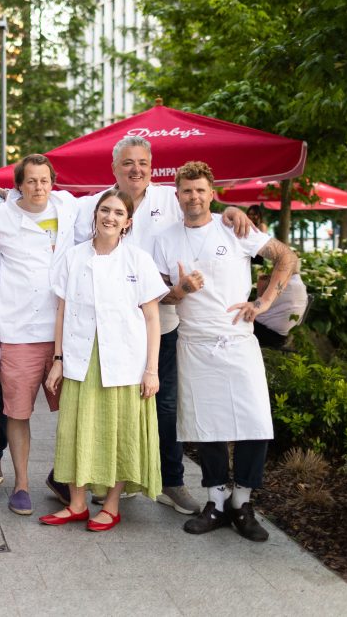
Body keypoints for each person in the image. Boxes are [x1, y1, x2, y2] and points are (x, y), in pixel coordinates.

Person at [61, 135, 251, 516]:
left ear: (152, 165)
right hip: (110, 328)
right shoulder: (95, 205)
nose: (136, 169)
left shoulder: (168, 198)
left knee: (165, 405)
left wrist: (233, 211)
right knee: (108, 407)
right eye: (128, 163)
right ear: (114, 168)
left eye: (143, 162)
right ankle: (112, 478)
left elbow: (203, 210)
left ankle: (172, 482)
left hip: (161, 320)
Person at [153, 161, 298, 542]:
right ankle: (216, 501)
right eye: (187, 190)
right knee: (206, 425)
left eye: (200, 189)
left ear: (212, 193)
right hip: (194, 343)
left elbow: (286, 257)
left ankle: (242, 502)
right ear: (178, 195)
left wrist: (264, 302)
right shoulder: (165, 239)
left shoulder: (234, 227)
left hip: (237, 340)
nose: (194, 196)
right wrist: (181, 289)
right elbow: (161, 295)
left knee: (254, 423)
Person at [39, 189, 167, 531]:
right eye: (104, 210)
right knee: (76, 429)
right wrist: (58, 359)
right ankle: (77, 503)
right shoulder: (73, 256)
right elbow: (62, 311)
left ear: (127, 222)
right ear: (95, 215)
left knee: (119, 431)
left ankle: (111, 505)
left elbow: (152, 319)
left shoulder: (138, 260)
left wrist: (151, 369)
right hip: (81, 356)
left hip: (126, 360)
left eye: (118, 213)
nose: (110, 217)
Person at [0, 154, 78, 515]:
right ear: (18, 185)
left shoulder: (69, 207)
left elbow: (116, 201)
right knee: (18, 411)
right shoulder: (0, 217)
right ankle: (21, 483)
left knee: (71, 410)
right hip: (18, 330)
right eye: (31, 181)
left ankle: (64, 476)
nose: (39, 188)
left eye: (44, 180)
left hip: (66, 331)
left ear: (53, 182)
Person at [253, 265, 308, 349]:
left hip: (266, 334)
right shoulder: (300, 285)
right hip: (279, 335)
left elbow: (257, 307)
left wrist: (261, 286)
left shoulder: (285, 284)